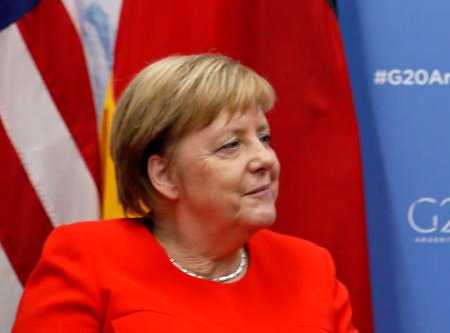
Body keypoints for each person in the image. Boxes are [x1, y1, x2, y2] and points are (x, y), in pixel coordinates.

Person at [13, 53, 358, 331]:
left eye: (264, 138)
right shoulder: (86, 258)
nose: (264, 158)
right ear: (164, 175)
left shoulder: (310, 267)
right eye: (231, 145)